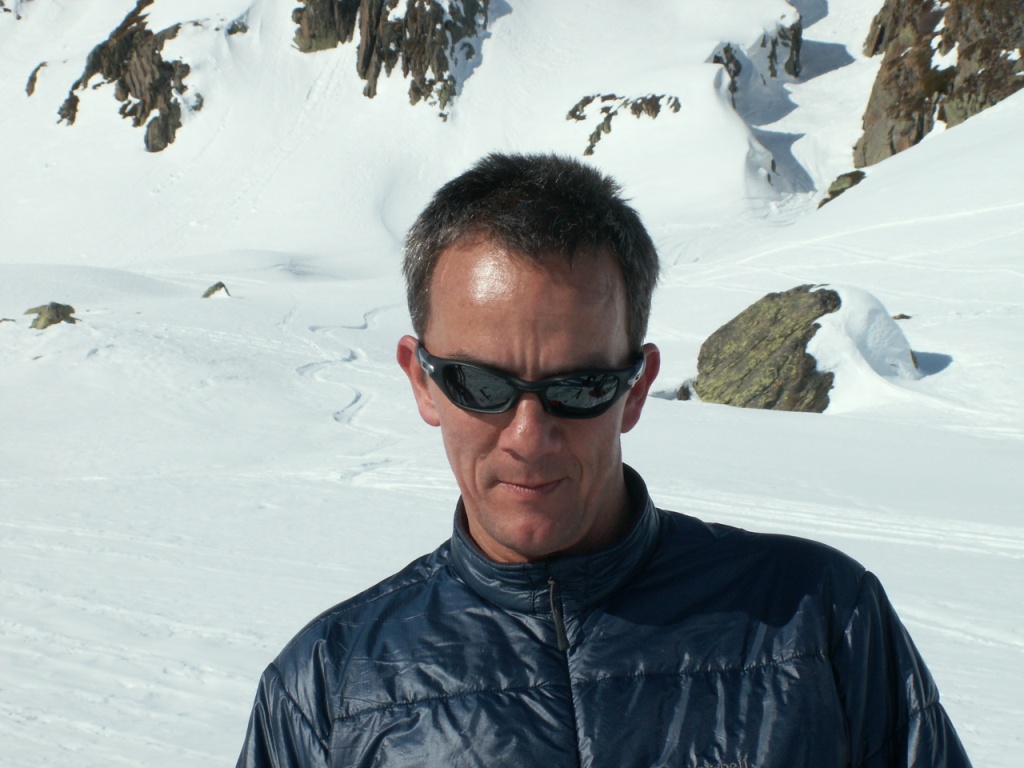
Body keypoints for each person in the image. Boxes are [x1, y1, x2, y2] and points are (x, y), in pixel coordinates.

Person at [236, 153, 972, 768]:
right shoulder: (325, 689)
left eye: (579, 387)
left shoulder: (820, 620)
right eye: (480, 385)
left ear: (636, 389)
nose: (528, 436)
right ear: (422, 382)